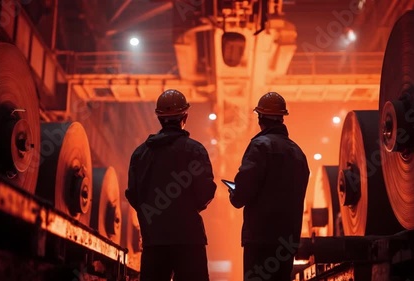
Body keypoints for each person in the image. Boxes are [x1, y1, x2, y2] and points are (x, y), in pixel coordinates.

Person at [125, 89, 217, 281]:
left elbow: (133, 195)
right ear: (185, 116)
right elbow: (205, 192)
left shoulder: (140, 154)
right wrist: (189, 208)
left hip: (154, 240)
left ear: (159, 117)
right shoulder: (195, 150)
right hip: (189, 240)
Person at [229, 92, 310, 281]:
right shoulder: (298, 153)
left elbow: (242, 194)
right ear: (282, 118)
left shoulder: (260, 146)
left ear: (260, 118)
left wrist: (234, 193)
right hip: (287, 240)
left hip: (260, 239)